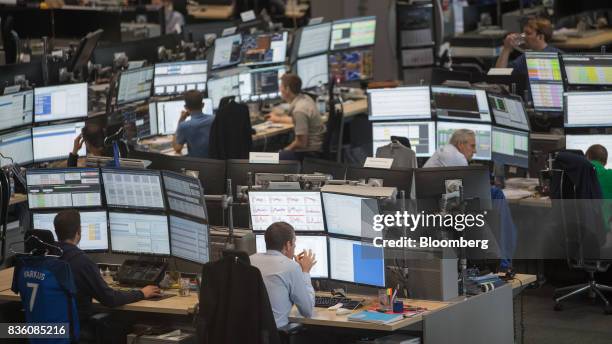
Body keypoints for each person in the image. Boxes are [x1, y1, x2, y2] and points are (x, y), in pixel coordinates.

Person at [55, 210, 161, 328]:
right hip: (72, 329)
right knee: (124, 323)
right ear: (78, 232)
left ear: (56, 232)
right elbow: (110, 299)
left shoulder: (46, 257)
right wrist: (141, 293)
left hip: (44, 330)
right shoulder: (81, 261)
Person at [250, 222, 316, 328]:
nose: (295, 246)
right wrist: (305, 272)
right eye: (294, 242)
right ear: (288, 245)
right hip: (276, 335)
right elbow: (307, 311)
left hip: (249, 334)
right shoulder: (291, 267)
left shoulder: (249, 260)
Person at [265, 73, 326, 160]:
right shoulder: (306, 98)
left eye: (281, 87)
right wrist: (278, 119)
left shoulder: (299, 110)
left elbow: (301, 143)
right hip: (316, 149)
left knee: (270, 159)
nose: (280, 89)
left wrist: (284, 151)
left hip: (309, 154)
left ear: (287, 89)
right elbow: (299, 121)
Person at [495, 17, 561, 74]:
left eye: (528, 33)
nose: (524, 37)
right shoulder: (526, 57)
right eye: (524, 33)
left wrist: (506, 49)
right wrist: (506, 48)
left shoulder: (529, 58)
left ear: (540, 37)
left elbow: (499, 76)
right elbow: (499, 75)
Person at [173, 90, 215, 158]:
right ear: (203, 105)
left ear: (186, 107)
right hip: (217, 163)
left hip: (197, 165)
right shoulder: (214, 119)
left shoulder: (184, 126)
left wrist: (180, 120)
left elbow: (177, 148)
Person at [585, 144, 612, 244]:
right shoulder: (610, 175)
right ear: (605, 162)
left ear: (587, 157)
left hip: (575, 232)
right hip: (602, 234)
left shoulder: (576, 175)